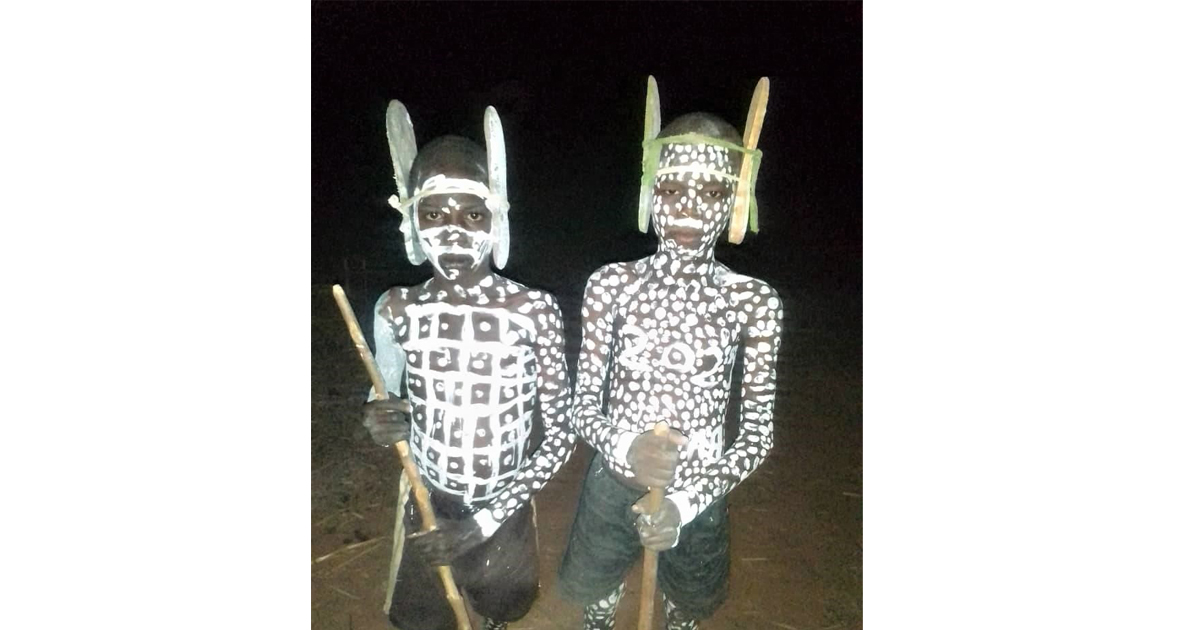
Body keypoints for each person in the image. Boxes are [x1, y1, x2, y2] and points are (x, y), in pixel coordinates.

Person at [558, 78, 782, 630]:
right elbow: (581, 403)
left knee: (686, 610)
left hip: (698, 495)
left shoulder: (753, 301)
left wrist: (684, 504)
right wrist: (624, 444)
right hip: (613, 480)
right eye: (673, 187)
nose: (687, 208)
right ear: (650, 190)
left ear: (735, 200)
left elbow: (757, 435)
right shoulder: (610, 285)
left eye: (709, 193)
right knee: (599, 599)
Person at [363, 101, 574, 630]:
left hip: (502, 505)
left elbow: (562, 434)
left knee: (501, 603)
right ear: (411, 220)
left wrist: (486, 520)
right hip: (426, 495)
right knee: (423, 614)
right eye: (434, 215)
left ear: (496, 217)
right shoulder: (396, 308)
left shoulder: (533, 311)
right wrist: (380, 418)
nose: (453, 234)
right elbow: (382, 397)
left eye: (471, 215)